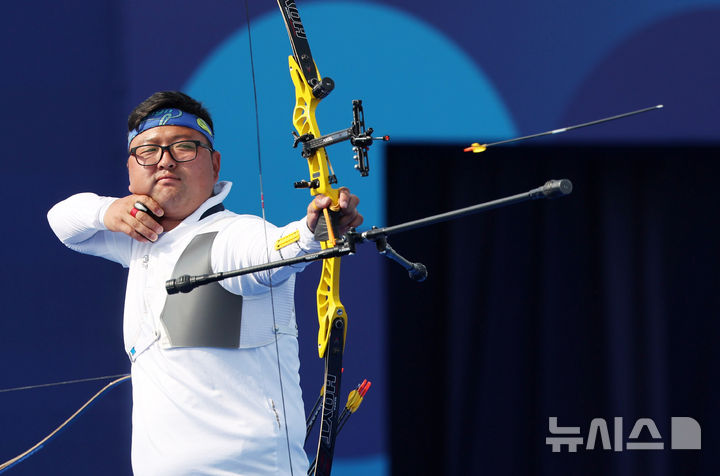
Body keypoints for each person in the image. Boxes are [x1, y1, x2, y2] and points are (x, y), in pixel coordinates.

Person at [47, 91, 362, 475]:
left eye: (184, 147)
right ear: (130, 169)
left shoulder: (233, 235)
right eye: (148, 150)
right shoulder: (139, 239)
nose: (165, 160)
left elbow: (271, 253)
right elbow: (62, 221)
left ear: (214, 165)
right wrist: (106, 210)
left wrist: (311, 231)